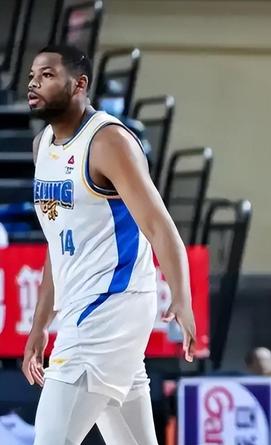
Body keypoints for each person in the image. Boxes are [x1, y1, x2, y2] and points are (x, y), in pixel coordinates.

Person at [22, 44, 196, 445]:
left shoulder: (108, 141)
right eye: (32, 75)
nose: (33, 83)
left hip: (112, 304)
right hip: (84, 307)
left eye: (47, 75)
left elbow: (160, 226)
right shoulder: (42, 145)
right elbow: (57, 242)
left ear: (79, 84)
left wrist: (182, 297)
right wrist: (40, 324)